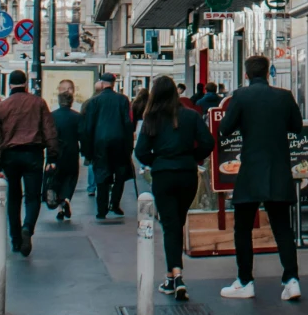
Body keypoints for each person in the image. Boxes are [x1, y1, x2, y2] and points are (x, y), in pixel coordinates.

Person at [215, 55, 304, 302]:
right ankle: (291, 279)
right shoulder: (284, 96)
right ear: (268, 73)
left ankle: (245, 281)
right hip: (278, 169)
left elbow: (225, 129)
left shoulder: (240, 96)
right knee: (282, 228)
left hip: (251, 170)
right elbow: (297, 126)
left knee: (242, 228)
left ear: (246, 75)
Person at [133, 75, 211, 301]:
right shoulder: (191, 116)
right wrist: (193, 158)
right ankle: (172, 275)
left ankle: (176, 276)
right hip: (187, 173)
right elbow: (208, 142)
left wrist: (155, 161)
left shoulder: (152, 118)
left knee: (170, 225)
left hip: (163, 174)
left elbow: (140, 152)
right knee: (178, 221)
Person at [0, 71, 53, 256]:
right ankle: (28, 228)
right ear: (25, 83)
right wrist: (53, 156)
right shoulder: (38, 103)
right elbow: (49, 130)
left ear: (10, 85)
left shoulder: (0, 107)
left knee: (14, 198)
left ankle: (15, 239)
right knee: (33, 197)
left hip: (10, 157)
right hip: (33, 154)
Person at [79, 72, 134, 220]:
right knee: (120, 174)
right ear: (114, 84)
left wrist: (87, 151)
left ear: (102, 84)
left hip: (100, 142)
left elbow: (88, 127)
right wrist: (129, 146)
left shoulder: (94, 101)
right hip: (119, 141)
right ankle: (115, 203)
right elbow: (128, 123)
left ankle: (101, 208)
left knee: (102, 174)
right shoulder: (122, 100)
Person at [48, 80, 82, 223]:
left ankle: (60, 206)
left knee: (57, 178)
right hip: (72, 151)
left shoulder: (52, 115)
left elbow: (49, 136)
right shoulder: (77, 116)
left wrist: (49, 158)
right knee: (71, 177)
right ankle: (66, 199)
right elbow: (81, 134)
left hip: (56, 152)